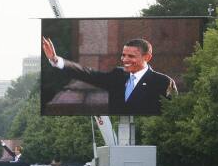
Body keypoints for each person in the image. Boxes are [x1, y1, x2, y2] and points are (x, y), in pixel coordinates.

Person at [42, 36, 177, 115]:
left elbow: (174, 114)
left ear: (147, 57)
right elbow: (88, 74)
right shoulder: (117, 75)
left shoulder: (163, 82)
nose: (125, 60)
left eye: (131, 56)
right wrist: (55, 60)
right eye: (123, 55)